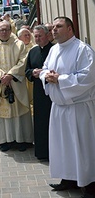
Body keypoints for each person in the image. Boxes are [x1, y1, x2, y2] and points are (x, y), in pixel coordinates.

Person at [40, 17, 95, 196]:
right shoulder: (54, 49)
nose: (54, 30)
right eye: (53, 27)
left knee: (83, 147)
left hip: (78, 108)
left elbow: (88, 77)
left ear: (70, 29)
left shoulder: (82, 50)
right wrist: (46, 76)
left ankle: (90, 183)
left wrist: (60, 79)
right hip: (59, 108)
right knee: (63, 146)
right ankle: (69, 178)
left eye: (59, 27)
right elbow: (45, 68)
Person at [0, 21, 33, 152]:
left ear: (11, 30)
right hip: (0, 85)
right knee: (2, 111)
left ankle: (21, 140)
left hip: (16, 83)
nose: (4, 32)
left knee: (18, 110)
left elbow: (24, 61)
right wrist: (2, 76)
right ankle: (3, 140)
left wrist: (10, 75)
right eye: (1, 30)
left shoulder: (19, 45)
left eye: (6, 29)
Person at [25, 25, 53, 160]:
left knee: (52, 123)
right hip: (38, 92)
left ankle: (54, 152)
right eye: (35, 36)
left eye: (40, 36)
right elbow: (27, 71)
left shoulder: (54, 50)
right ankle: (42, 152)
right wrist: (33, 73)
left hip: (52, 93)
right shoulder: (33, 51)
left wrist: (45, 73)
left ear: (47, 35)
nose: (37, 39)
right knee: (40, 122)